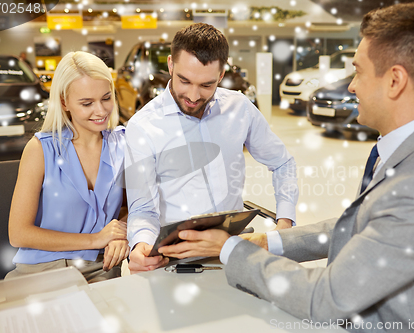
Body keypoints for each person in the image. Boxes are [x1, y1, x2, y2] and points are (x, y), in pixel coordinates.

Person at [159, 4, 414, 331]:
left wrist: (229, 248)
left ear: (395, 80)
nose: (352, 86)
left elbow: (326, 299)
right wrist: (268, 243)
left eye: (358, 71)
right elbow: (361, 228)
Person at [125, 23, 298, 273]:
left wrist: (285, 224)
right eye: (184, 81)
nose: (193, 95)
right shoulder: (142, 126)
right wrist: (141, 244)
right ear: (171, 66)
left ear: (220, 75)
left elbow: (282, 162)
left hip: (233, 249)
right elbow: (143, 208)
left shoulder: (239, 108)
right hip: (175, 259)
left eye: (206, 85)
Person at [6, 51, 129, 283]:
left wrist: (123, 232)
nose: (101, 111)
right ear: (64, 102)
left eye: (106, 98)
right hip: (44, 269)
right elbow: (19, 233)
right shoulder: (40, 149)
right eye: (87, 103)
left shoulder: (124, 144)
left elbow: (137, 207)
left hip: (104, 269)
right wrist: (96, 240)